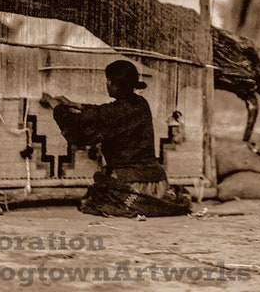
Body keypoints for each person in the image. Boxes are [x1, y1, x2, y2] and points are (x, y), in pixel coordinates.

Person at [40, 59, 191, 217]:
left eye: (108, 80)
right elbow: (102, 112)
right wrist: (75, 104)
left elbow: (79, 125)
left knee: (97, 196)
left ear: (115, 84)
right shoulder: (141, 103)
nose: (107, 83)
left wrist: (53, 104)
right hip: (158, 182)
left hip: (133, 184)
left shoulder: (116, 111)